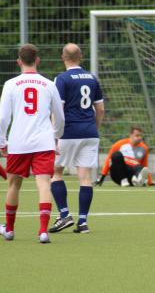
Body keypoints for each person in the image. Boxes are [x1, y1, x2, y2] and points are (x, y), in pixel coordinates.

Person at [0, 44, 64, 243]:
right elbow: (60, 117)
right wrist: (56, 137)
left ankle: (9, 230)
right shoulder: (49, 84)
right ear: (37, 60)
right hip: (44, 142)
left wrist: (2, 141)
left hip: (19, 142)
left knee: (13, 185)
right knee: (44, 183)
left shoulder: (11, 84)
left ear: (19, 61)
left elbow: (3, 118)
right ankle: (43, 231)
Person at [49, 43, 105, 234]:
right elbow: (100, 109)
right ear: (81, 56)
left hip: (68, 132)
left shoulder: (62, 79)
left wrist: (55, 134)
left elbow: (58, 110)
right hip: (90, 132)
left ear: (62, 57)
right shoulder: (92, 78)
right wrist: (94, 128)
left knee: (55, 172)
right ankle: (83, 222)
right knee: (85, 176)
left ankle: (64, 214)